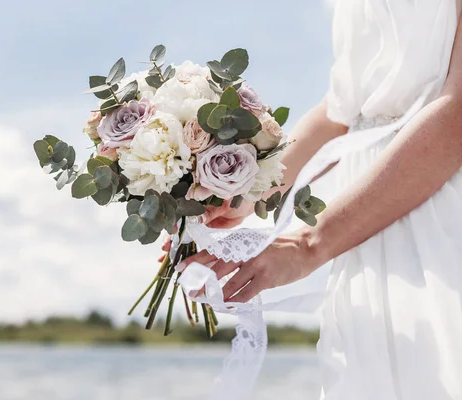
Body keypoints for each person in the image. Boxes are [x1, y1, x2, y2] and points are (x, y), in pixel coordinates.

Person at [176, 0, 462, 398]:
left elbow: (459, 115)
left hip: (438, 216)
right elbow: (339, 114)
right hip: (361, 233)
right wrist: (242, 191)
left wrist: (310, 244)